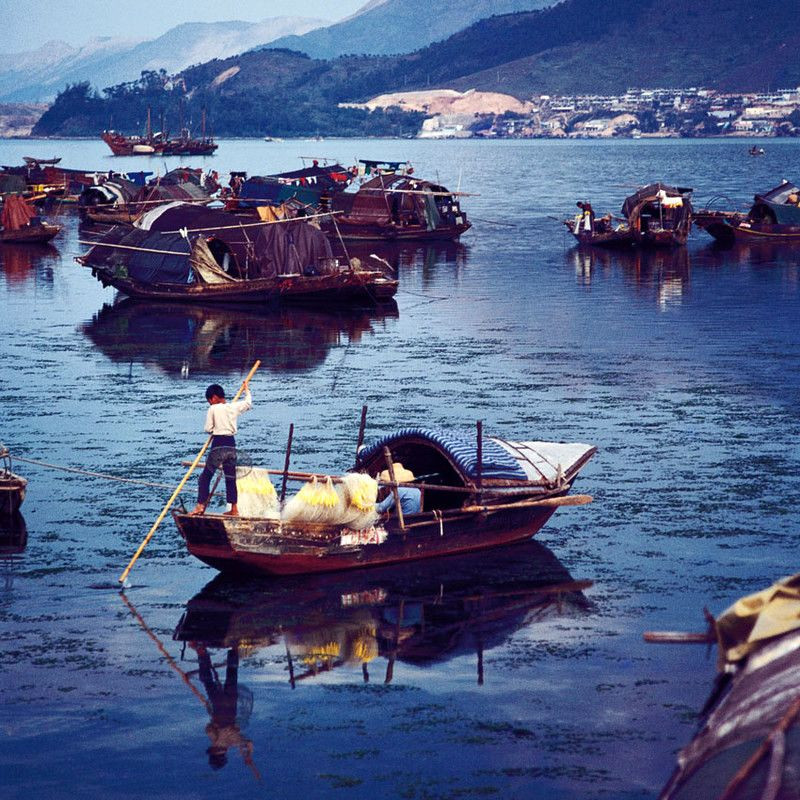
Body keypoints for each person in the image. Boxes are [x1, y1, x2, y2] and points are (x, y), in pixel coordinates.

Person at [191, 381, 252, 516]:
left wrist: (215, 428)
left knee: (205, 477)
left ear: (213, 398)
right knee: (230, 477)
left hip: (219, 443)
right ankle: (234, 509)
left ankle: (200, 506)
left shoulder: (213, 409)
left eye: (209, 401)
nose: (210, 403)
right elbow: (248, 403)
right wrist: (246, 389)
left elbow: (208, 428)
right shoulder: (233, 407)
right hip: (231, 444)